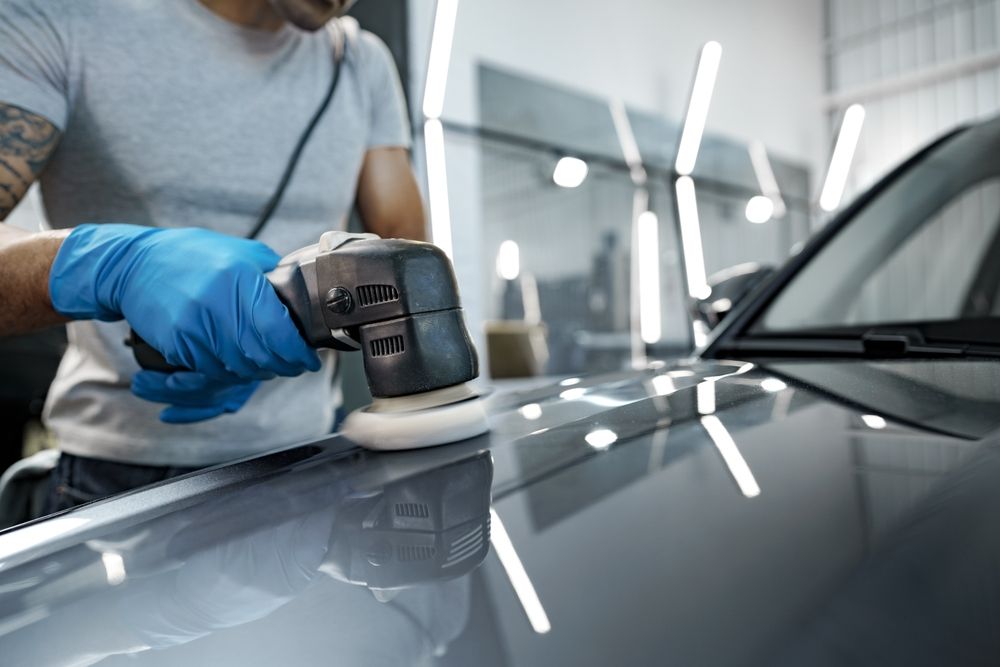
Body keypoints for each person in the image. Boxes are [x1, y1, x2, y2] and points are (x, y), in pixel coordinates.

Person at [0, 0, 427, 511]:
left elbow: (408, 266)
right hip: (115, 473)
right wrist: (105, 266)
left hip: (307, 457)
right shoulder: (56, 21)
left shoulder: (360, 62)